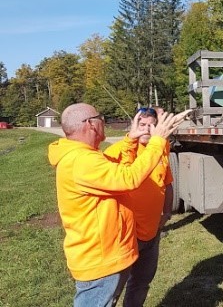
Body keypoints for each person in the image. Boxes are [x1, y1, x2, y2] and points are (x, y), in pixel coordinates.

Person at [48, 103, 190, 307]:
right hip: (100, 260)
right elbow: (129, 178)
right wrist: (158, 141)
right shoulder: (82, 161)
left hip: (106, 253)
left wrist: (131, 139)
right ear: (91, 124)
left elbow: (117, 166)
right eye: (101, 117)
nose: (104, 122)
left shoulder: (84, 155)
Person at [103, 107, 175, 307]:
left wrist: (167, 213)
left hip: (152, 231)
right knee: (113, 288)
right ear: (133, 125)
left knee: (141, 283)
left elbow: (167, 182)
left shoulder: (161, 147)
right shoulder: (117, 151)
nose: (146, 129)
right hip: (127, 234)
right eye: (142, 124)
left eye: (151, 125)